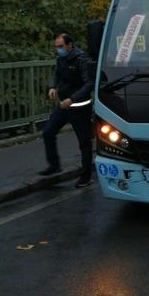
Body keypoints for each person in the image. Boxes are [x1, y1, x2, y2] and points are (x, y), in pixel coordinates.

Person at [39, 33, 96, 188]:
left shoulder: (82, 59)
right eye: (56, 47)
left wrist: (72, 99)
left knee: (84, 142)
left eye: (60, 46)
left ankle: (86, 176)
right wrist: (52, 87)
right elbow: (57, 75)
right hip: (64, 105)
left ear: (70, 45)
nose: (58, 50)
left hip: (79, 106)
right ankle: (54, 165)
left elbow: (89, 84)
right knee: (48, 132)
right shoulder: (61, 59)